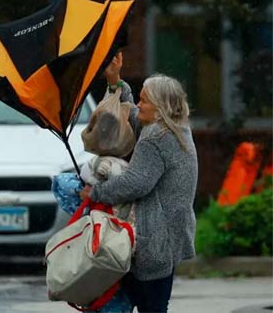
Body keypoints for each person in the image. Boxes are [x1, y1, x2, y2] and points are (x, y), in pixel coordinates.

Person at [80, 52, 198, 313]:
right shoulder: (175, 127)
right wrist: (115, 80)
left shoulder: (157, 136)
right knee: (149, 303)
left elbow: (135, 183)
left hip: (153, 238)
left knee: (149, 305)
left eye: (145, 101)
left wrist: (95, 192)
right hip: (168, 234)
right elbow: (131, 114)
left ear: (159, 107)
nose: (139, 105)